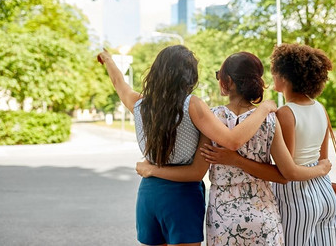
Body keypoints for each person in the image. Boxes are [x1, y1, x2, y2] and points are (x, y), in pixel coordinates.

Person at [135, 51, 332, 246]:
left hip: (224, 216)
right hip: (263, 213)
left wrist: (152, 165)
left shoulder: (212, 118)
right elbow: (283, 175)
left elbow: (194, 164)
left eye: (218, 75)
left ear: (227, 81)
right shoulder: (270, 119)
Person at [97, 45, 277, 246]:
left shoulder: (139, 104)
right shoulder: (192, 104)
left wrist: (108, 60)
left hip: (148, 194)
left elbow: (118, 83)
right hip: (181, 197)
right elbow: (231, 142)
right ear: (189, 76)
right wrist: (264, 109)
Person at [203, 44, 336, 246]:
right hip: (321, 194)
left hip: (293, 198)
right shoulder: (314, 110)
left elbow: (288, 171)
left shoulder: (282, 114)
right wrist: (321, 169)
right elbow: (321, 159)